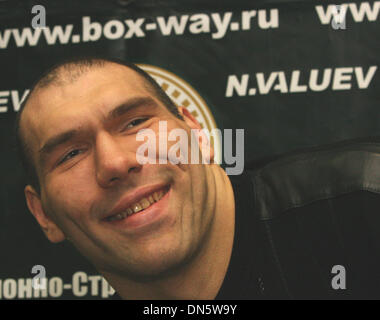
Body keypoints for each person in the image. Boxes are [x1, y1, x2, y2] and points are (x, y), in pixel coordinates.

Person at [16, 57, 380, 299]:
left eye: (135, 122)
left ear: (197, 133)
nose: (114, 163)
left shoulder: (366, 202)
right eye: (71, 154)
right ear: (43, 214)